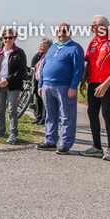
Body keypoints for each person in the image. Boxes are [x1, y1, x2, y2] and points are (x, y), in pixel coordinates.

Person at [80, 15, 110, 161]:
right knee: (92, 113)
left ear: (102, 27)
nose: (91, 29)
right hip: (93, 83)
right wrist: (83, 82)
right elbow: (88, 63)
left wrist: (106, 84)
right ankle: (97, 147)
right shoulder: (93, 42)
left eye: (93, 26)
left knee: (106, 113)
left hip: (108, 84)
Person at [37, 23, 84, 154]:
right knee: (50, 115)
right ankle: (50, 141)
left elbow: (79, 69)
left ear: (69, 32)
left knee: (67, 116)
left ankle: (65, 144)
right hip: (47, 86)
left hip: (64, 86)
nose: (61, 33)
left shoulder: (75, 48)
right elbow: (43, 67)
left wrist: (73, 87)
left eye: (64, 31)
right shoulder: (52, 47)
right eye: (59, 31)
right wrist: (40, 85)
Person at [0, 28, 27, 144]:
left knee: (12, 110)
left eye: (10, 37)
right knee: (0, 110)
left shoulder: (19, 52)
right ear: (2, 39)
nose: (7, 40)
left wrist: (7, 80)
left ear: (14, 38)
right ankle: (0, 132)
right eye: (5, 38)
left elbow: (21, 70)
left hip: (13, 86)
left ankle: (13, 134)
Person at [29, 37, 51, 125]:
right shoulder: (41, 56)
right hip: (37, 81)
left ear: (47, 46)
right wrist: (37, 54)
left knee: (44, 100)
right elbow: (32, 63)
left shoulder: (50, 55)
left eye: (41, 45)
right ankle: (38, 118)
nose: (40, 47)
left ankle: (44, 118)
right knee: (38, 99)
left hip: (45, 81)